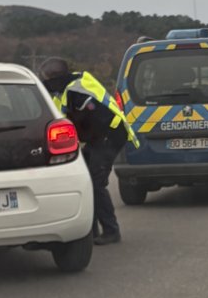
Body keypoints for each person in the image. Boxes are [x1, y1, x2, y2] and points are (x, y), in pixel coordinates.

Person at [39, 58, 138, 245]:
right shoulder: (65, 90)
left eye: (46, 79)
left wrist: (81, 141)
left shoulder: (78, 93)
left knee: (96, 183)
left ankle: (111, 231)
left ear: (55, 78)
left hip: (109, 135)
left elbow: (92, 121)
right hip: (97, 138)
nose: (46, 84)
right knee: (84, 182)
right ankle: (90, 231)